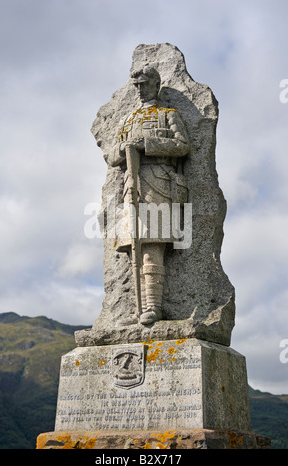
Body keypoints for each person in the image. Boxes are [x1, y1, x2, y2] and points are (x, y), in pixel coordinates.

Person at [108, 66, 190, 326]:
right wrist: (124, 148)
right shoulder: (127, 120)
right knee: (135, 248)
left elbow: (183, 145)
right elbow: (111, 157)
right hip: (132, 186)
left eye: (145, 84)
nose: (141, 89)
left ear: (157, 84)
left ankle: (153, 307)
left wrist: (147, 145)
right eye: (137, 85)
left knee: (152, 248)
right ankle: (136, 309)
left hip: (158, 183)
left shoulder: (168, 115)